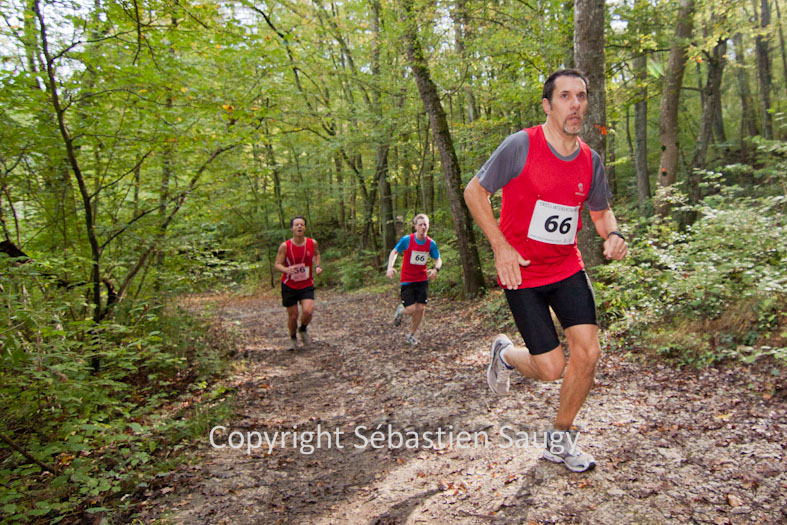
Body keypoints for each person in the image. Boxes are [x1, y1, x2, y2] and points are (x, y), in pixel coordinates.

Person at [464, 69, 628, 473]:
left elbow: (601, 212)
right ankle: (505, 354)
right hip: (521, 271)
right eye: (565, 96)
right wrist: (500, 246)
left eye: (581, 96)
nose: (575, 104)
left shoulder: (590, 161)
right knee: (552, 368)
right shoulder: (521, 145)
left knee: (588, 352)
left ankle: (561, 439)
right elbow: (474, 192)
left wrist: (613, 233)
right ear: (547, 105)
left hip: (566, 266)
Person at [385, 214, 443, 345]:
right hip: (407, 280)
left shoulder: (430, 243)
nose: (423, 227)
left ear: (428, 226)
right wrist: (390, 267)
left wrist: (435, 269)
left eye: (425, 224)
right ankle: (401, 311)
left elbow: (438, 259)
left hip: (422, 280)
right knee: (411, 309)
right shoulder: (407, 240)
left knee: (421, 308)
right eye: (420, 224)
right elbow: (394, 252)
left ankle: (411, 334)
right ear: (415, 226)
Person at [274, 216, 322, 350]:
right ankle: (293, 338)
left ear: (305, 227)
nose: (299, 227)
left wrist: (317, 266)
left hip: (306, 284)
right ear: (292, 229)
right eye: (296, 225)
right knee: (293, 315)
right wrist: (286, 270)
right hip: (289, 285)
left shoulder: (312, 243)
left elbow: (316, 254)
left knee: (308, 311)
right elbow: (277, 264)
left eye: (302, 224)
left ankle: (303, 329)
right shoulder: (285, 246)